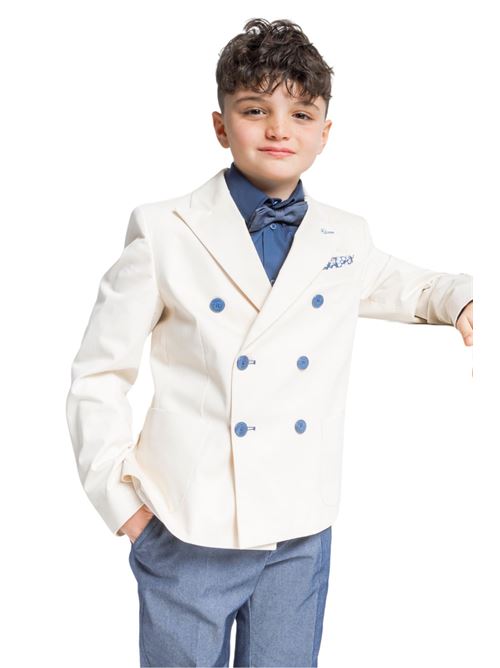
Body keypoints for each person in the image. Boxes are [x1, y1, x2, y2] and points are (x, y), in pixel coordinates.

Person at [65, 17, 473, 668]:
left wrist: (464, 299)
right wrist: (125, 510)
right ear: (221, 125)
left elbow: (416, 287)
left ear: (324, 133)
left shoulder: (344, 236)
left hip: (299, 530)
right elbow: (97, 375)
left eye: (301, 114)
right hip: (188, 527)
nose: (279, 129)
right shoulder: (165, 231)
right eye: (256, 110)